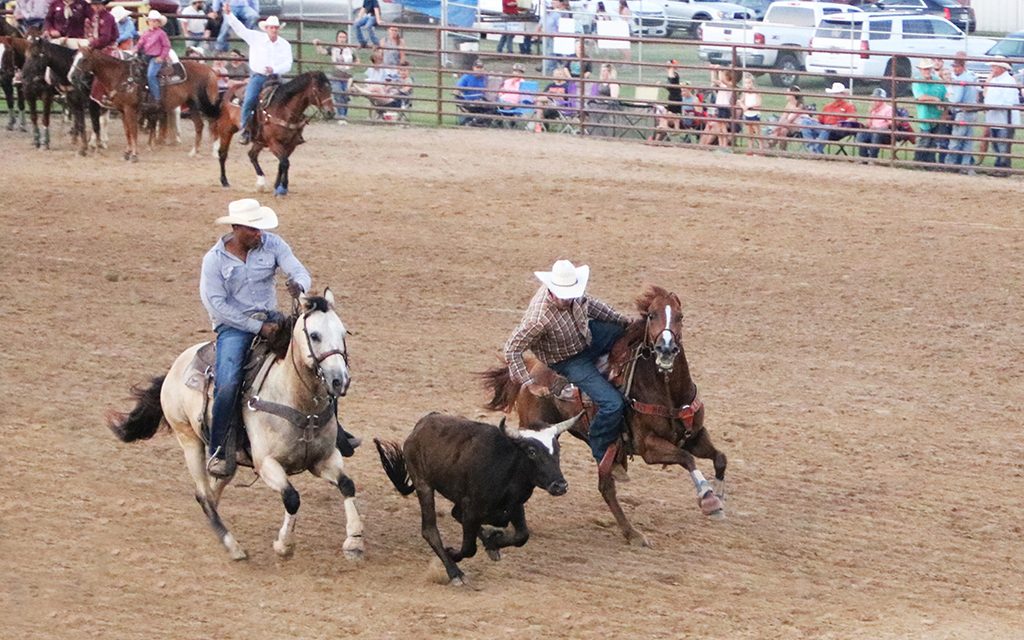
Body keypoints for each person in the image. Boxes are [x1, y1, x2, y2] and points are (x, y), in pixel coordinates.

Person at [199, 199, 311, 477]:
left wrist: (300, 285)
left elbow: (298, 271)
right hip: (234, 327)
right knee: (228, 384)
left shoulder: (273, 245)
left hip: (272, 318)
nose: (259, 234)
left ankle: (335, 432)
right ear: (236, 228)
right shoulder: (214, 260)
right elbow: (217, 306)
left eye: (260, 229)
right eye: (252, 229)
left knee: (314, 361)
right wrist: (255, 328)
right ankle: (218, 449)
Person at [503, 259, 632, 480]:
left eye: (571, 293)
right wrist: (529, 382)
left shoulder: (575, 296)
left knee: (628, 334)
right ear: (552, 290)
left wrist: (625, 321)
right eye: (564, 294)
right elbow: (512, 349)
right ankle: (601, 452)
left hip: (585, 338)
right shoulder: (538, 319)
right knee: (612, 403)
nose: (568, 298)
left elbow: (594, 307)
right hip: (569, 360)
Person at [223, 3, 293, 145]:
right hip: (259, 76)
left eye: (275, 27)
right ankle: (246, 130)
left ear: (278, 29)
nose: (273, 30)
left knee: (290, 99)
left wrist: (274, 69)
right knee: (249, 100)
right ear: (266, 28)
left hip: (275, 77)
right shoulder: (256, 38)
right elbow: (239, 29)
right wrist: (229, 15)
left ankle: (290, 128)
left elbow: (288, 64)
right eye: (271, 27)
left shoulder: (285, 44)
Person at [982, 58, 1021, 172]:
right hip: (995, 118)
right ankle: (999, 166)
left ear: (1002, 68)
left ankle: (1003, 168)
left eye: (994, 66)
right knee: (997, 144)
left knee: (1003, 144)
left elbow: (1008, 101)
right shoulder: (995, 80)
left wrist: (992, 106)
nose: (992, 69)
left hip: (1004, 119)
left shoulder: (1009, 81)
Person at [944, 52, 979, 172]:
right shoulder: (970, 77)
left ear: (962, 67)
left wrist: (948, 97)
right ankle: (965, 166)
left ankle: (950, 165)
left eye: (957, 67)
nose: (955, 69)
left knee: (956, 139)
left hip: (962, 113)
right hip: (971, 112)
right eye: (954, 67)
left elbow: (956, 99)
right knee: (967, 141)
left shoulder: (961, 80)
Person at [801, 81, 857, 154]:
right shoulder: (827, 106)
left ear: (843, 94)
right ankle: (812, 149)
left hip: (837, 131)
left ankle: (816, 150)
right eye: (835, 93)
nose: (836, 95)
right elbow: (820, 120)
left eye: (839, 93)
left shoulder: (848, 106)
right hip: (824, 128)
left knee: (826, 127)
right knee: (805, 121)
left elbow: (852, 119)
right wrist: (811, 119)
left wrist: (840, 124)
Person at [314, 30, 358, 124]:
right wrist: (317, 45)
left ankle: (344, 116)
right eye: (340, 37)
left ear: (346, 39)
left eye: (343, 37)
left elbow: (357, 60)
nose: (342, 39)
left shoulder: (350, 49)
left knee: (345, 96)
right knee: (338, 93)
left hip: (347, 76)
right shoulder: (333, 48)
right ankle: (341, 116)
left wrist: (352, 65)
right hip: (336, 75)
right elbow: (322, 52)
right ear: (337, 38)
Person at [911, 58, 946, 165]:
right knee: (925, 139)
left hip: (936, 115)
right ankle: (919, 162)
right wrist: (936, 99)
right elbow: (920, 97)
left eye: (928, 69)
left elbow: (944, 96)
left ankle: (928, 163)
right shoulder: (918, 82)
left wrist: (942, 104)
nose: (926, 71)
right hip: (925, 114)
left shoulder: (938, 81)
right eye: (924, 69)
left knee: (933, 141)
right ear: (921, 70)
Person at [136, 10, 171, 104]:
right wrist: (134, 50)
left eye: (155, 21)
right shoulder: (146, 33)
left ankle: (157, 97)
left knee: (150, 75)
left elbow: (166, 46)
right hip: (146, 56)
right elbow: (140, 43)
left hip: (156, 57)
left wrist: (161, 57)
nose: (153, 23)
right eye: (151, 21)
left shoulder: (161, 33)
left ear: (159, 23)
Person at [854, 87, 894, 159]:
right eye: (874, 98)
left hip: (884, 134)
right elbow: (868, 124)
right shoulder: (873, 110)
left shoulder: (889, 109)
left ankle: (872, 157)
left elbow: (890, 123)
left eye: (877, 98)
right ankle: (863, 157)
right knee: (861, 134)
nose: (874, 101)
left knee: (876, 134)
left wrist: (879, 128)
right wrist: (870, 114)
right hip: (873, 131)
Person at [454, 60, 493, 126]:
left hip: (482, 101)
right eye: (477, 67)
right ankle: (474, 121)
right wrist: (460, 101)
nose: (479, 70)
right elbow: (456, 91)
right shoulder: (467, 77)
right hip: (469, 101)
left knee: (493, 108)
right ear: (473, 68)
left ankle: (475, 122)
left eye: (481, 67)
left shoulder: (486, 78)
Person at [767, 84, 804, 150]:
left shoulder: (799, 106)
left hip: (797, 127)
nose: (786, 94)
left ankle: (773, 145)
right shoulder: (789, 104)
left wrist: (777, 127)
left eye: (788, 93)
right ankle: (776, 148)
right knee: (783, 130)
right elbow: (783, 117)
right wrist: (778, 126)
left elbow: (790, 119)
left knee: (782, 129)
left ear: (793, 95)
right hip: (786, 126)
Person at [738, 72, 762, 150]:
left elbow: (758, 103)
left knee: (757, 132)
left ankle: (761, 149)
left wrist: (748, 107)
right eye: (746, 83)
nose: (748, 85)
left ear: (752, 83)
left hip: (755, 114)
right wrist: (743, 107)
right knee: (749, 133)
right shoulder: (745, 92)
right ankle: (750, 149)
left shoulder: (756, 92)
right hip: (748, 114)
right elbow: (740, 101)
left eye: (749, 83)